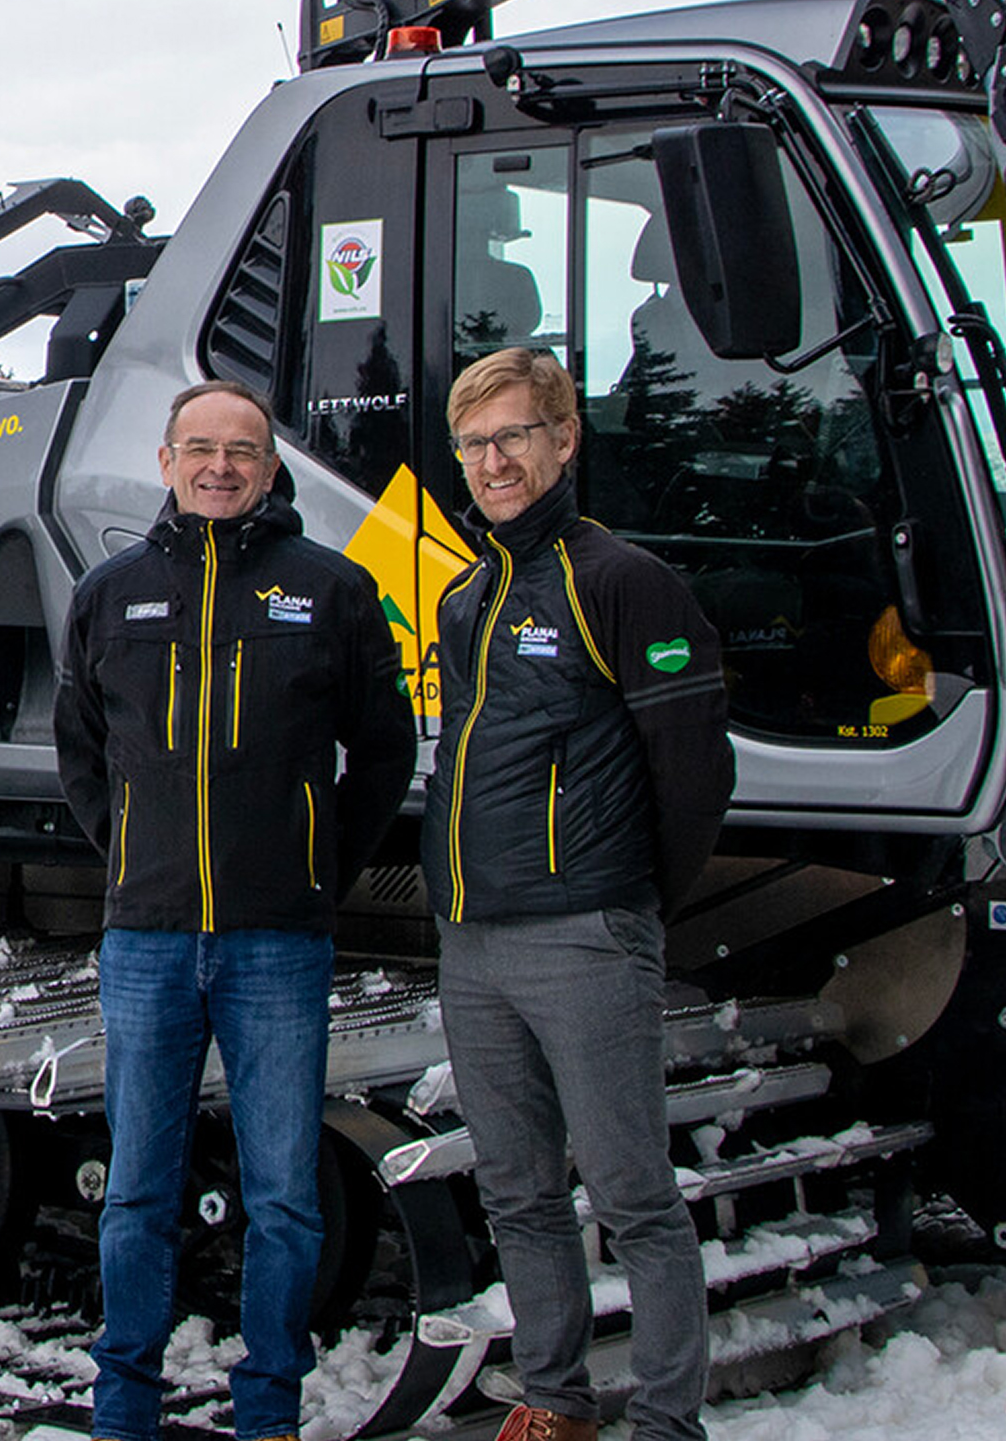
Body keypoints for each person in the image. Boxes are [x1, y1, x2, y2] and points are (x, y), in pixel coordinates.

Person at [55, 381, 417, 1441]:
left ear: (270, 468)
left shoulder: (330, 590)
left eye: (242, 450)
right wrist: (128, 856)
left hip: (277, 943)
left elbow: (382, 751)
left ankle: (268, 1411)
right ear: (165, 462)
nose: (220, 467)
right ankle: (123, 1407)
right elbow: (79, 749)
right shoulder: (111, 594)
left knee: (285, 1201)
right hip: (147, 941)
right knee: (135, 1197)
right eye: (199, 448)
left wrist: (318, 869)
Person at [423, 348, 733, 1441]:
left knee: (633, 1195)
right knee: (516, 1191)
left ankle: (663, 1421)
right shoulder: (467, 594)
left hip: (584, 930)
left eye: (513, 436)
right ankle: (553, 1402)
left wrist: (631, 900)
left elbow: (694, 772)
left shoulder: (620, 580)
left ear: (562, 441)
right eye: (473, 444)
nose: (493, 461)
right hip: (475, 936)